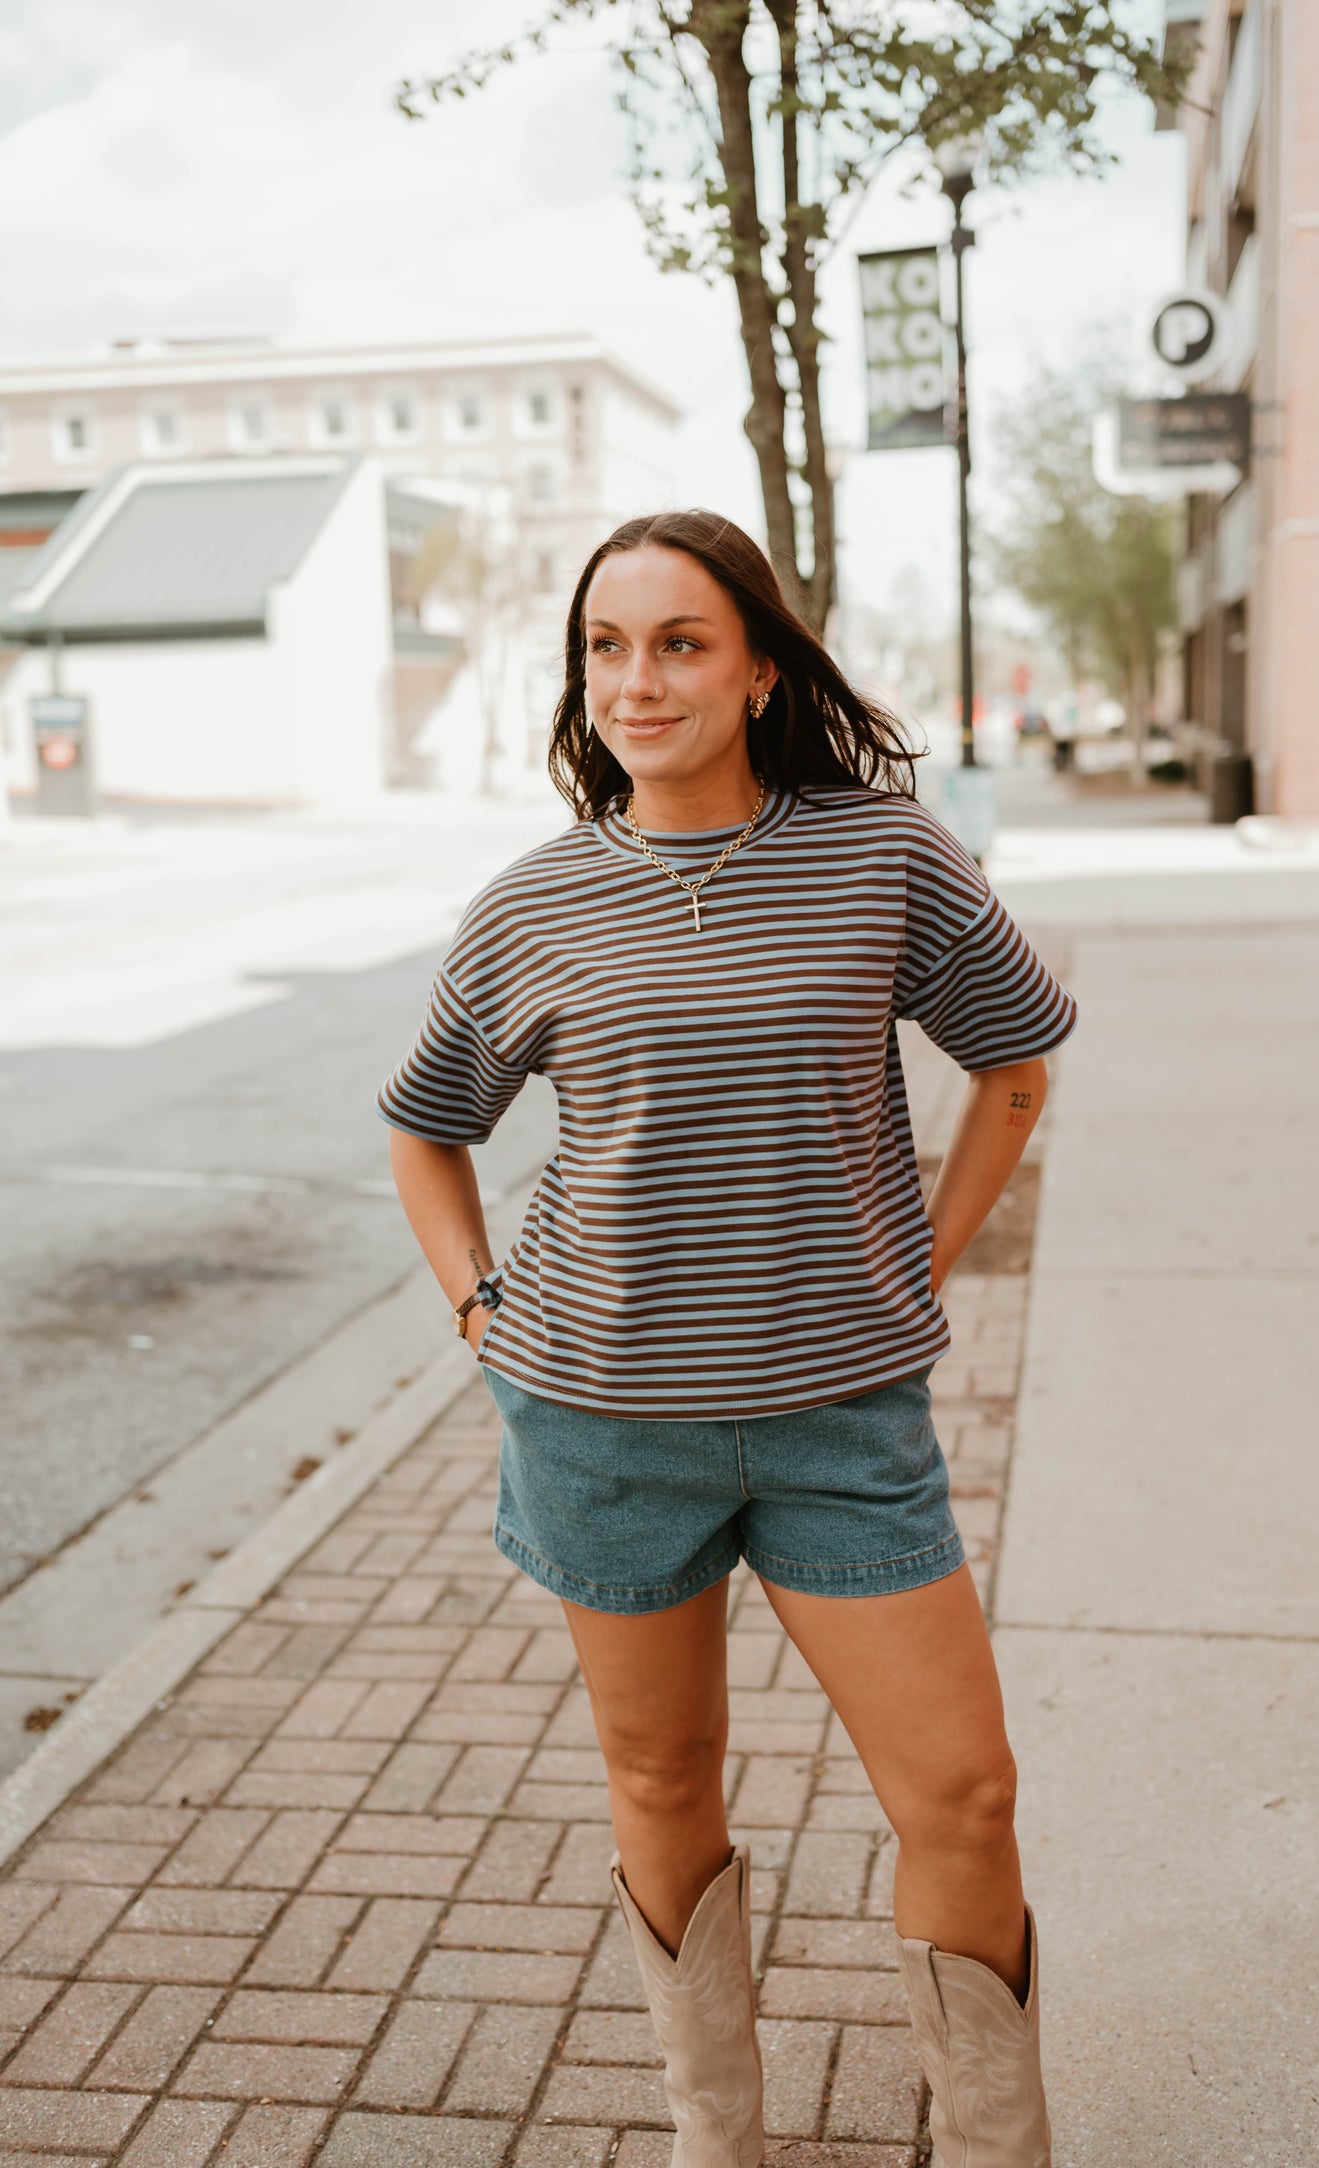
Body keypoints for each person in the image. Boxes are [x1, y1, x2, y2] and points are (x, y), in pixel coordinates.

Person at [378, 509, 1077, 2168]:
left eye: (680, 642)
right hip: (601, 1421)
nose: (637, 680)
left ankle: (994, 2143)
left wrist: (922, 1259)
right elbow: (424, 1127)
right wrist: (481, 1307)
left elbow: (1018, 1063)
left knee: (962, 1797)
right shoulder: (530, 907)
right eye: (605, 648)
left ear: (762, 667)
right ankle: (717, 2134)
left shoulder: (881, 856)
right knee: (663, 1779)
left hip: (844, 1425)